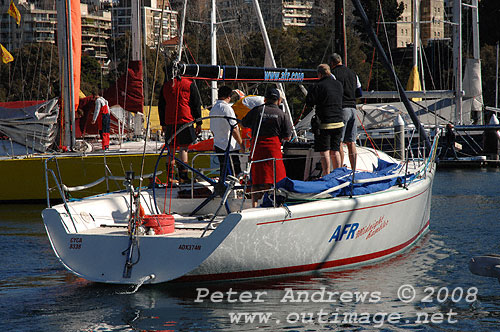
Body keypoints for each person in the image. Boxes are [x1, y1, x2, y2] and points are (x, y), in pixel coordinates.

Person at [242, 87, 292, 207]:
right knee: (276, 178)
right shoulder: (282, 114)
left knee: (256, 178)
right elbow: (287, 137)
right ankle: (275, 204)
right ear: (279, 100)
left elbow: (244, 123)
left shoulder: (257, 110)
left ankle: (253, 205)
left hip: (257, 148)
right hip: (273, 149)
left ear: (265, 99)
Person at [158, 69, 202, 184]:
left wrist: (163, 123)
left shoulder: (167, 85)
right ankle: (183, 176)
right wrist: (199, 122)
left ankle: (170, 177)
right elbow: (196, 104)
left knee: (171, 150)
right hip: (185, 119)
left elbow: (161, 105)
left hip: (170, 121)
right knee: (183, 148)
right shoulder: (189, 84)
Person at [305, 64, 344, 176]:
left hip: (325, 123)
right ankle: (338, 175)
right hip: (338, 121)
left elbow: (309, 102)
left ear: (319, 74)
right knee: (335, 150)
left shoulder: (318, 86)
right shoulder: (339, 85)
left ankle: (326, 175)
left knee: (325, 151)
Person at [329, 53, 362, 172]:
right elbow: (359, 93)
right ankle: (354, 170)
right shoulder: (353, 74)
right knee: (351, 142)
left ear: (332, 63)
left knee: (339, 142)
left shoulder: (333, 75)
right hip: (353, 109)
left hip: (342, 109)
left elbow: (331, 92)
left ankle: (339, 169)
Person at [209, 85, 243, 178]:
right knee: (234, 174)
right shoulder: (227, 108)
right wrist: (241, 144)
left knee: (224, 172)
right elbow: (234, 128)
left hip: (218, 144)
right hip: (229, 146)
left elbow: (212, 130)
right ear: (228, 97)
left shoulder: (213, 109)